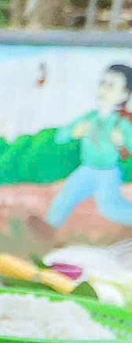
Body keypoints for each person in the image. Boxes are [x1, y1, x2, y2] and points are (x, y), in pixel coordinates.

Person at [45, 64, 132, 229]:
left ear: (124, 95)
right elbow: (60, 136)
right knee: (65, 199)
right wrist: (74, 133)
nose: (103, 89)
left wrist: (121, 142)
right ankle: (48, 230)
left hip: (107, 172)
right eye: (102, 83)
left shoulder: (121, 123)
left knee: (111, 208)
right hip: (86, 169)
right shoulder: (90, 118)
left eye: (110, 86)